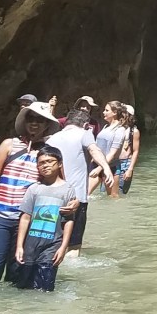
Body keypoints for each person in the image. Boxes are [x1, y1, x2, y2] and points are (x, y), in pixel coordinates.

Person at [0, 100, 61, 289]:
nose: (35, 123)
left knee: (17, 272)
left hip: (26, 220)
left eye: (40, 120)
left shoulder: (47, 153)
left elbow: (57, 185)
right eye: (31, 118)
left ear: (47, 125)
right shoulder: (9, 145)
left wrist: (71, 204)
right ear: (24, 121)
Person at [47, 103, 118, 256]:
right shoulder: (84, 133)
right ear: (86, 125)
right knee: (73, 246)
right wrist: (106, 168)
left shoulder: (52, 138)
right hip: (77, 198)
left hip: (51, 197)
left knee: (52, 242)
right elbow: (94, 149)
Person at [13, 145, 78, 292]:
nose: (45, 165)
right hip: (30, 245)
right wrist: (19, 246)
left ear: (60, 163)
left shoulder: (68, 190)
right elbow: (25, 217)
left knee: (45, 287)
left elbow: (68, 220)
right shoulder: (34, 189)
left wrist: (63, 247)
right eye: (41, 163)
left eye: (49, 161)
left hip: (52, 245)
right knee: (24, 287)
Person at [89, 101, 128, 197]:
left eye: (106, 110)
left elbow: (112, 153)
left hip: (111, 167)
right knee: (85, 194)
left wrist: (100, 168)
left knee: (113, 197)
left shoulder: (120, 130)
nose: (103, 112)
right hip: (95, 165)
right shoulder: (106, 127)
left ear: (114, 112)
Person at [116, 105, 141, 194]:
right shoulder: (114, 128)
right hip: (113, 163)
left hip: (125, 164)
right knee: (105, 191)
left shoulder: (134, 131)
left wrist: (130, 169)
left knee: (120, 192)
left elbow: (135, 151)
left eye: (123, 113)